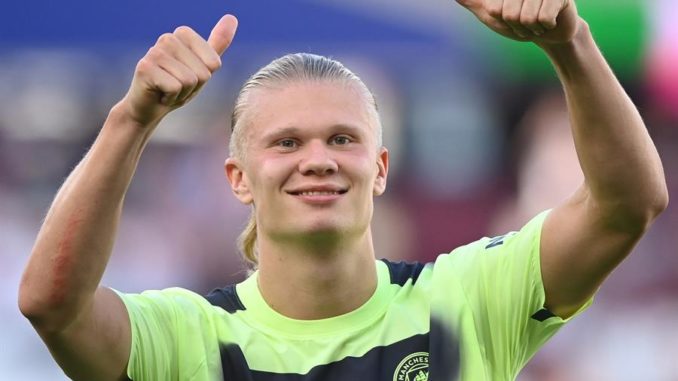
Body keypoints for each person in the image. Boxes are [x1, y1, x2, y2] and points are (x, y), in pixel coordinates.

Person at [18, 0, 668, 380]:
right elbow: (53, 303)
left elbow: (625, 206)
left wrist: (570, 44)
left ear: (381, 167)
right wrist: (131, 118)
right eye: (285, 142)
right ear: (237, 178)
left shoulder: (467, 299)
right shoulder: (191, 337)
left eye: (343, 139)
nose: (318, 160)